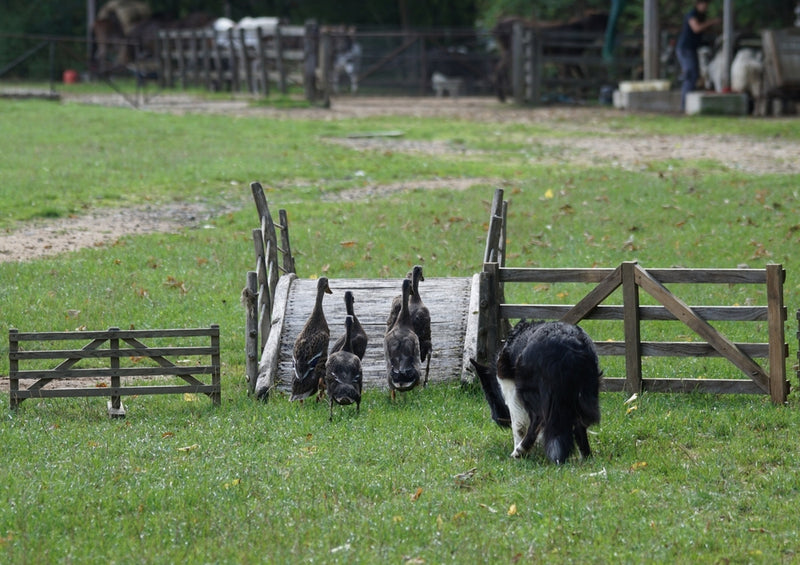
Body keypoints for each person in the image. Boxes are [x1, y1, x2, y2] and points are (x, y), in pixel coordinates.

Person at [676, 0, 720, 110]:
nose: (705, 6)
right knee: (690, 74)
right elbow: (696, 28)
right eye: (703, 4)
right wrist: (712, 22)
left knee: (694, 75)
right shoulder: (692, 14)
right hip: (686, 49)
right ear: (698, 4)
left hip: (692, 49)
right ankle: (684, 105)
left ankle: (687, 103)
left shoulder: (701, 16)